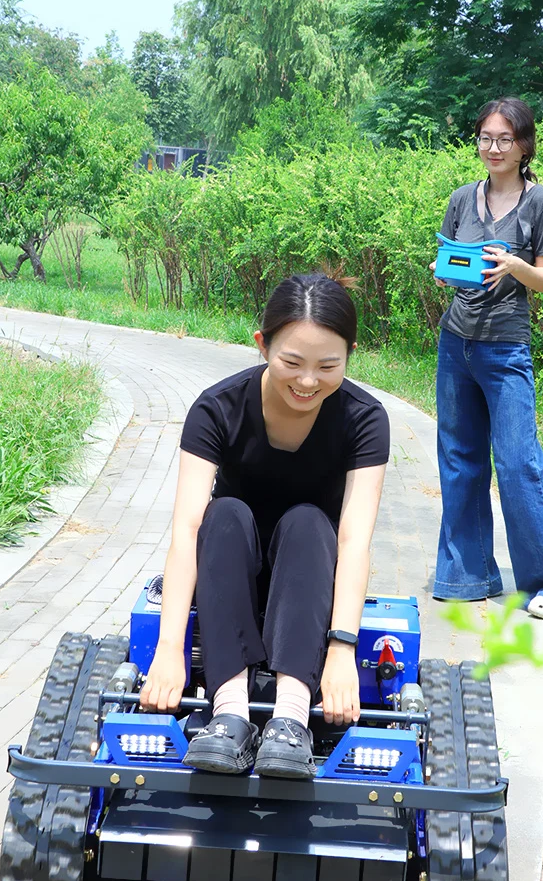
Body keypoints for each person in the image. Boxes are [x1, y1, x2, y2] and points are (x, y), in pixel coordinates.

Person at [138, 272, 389, 778]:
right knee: (224, 512)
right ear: (262, 344)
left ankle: (291, 717)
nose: (308, 381)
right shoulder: (217, 408)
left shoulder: (364, 419)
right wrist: (168, 650)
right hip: (229, 574)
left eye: (327, 366)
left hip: (310, 581)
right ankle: (229, 711)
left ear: (350, 355)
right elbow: (186, 531)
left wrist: (342, 649)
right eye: (292, 362)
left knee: (309, 521)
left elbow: (354, 541)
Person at [432, 97, 543, 619]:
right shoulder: (462, 198)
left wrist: (513, 265)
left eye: (504, 139)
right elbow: (450, 261)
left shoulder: (540, 202)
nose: (493, 148)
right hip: (456, 343)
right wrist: (447, 270)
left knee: (519, 461)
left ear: (524, 146)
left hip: (506, 348)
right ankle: (467, 574)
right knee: (459, 458)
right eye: (486, 138)